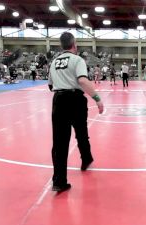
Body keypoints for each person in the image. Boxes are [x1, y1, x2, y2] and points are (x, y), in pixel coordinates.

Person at [48, 32, 104, 192]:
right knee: (81, 132)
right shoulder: (77, 60)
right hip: (75, 100)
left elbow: (50, 85)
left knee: (59, 141)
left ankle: (59, 180)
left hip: (58, 100)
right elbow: (82, 80)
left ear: (61, 45)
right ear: (74, 44)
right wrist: (97, 98)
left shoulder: (54, 62)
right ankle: (86, 158)